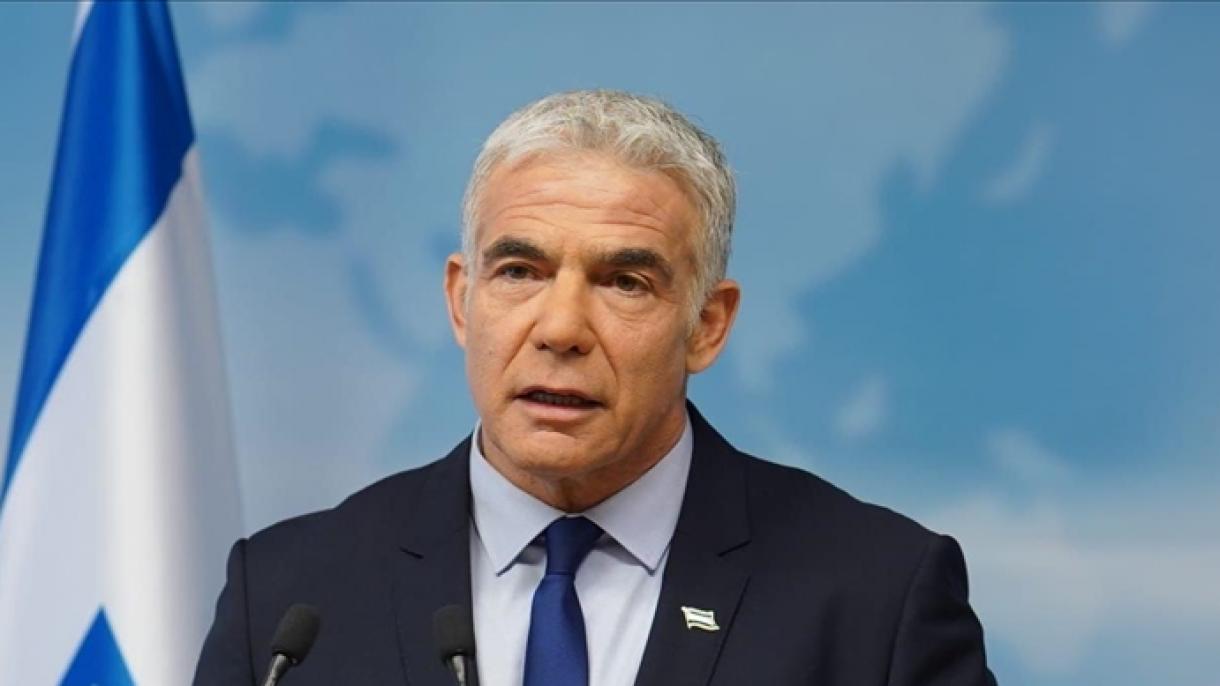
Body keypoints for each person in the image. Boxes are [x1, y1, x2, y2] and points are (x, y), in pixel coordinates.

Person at [193, 90, 996, 686]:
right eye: (520, 271)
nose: (561, 328)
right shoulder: (291, 599)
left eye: (624, 282)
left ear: (707, 325)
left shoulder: (875, 596)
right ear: (461, 301)